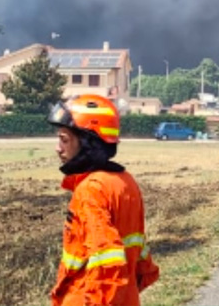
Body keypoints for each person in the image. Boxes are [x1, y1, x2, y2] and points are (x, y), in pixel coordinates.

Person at [47, 94, 160, 306]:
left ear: (88, 142)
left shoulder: (90, 190)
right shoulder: (126, 182)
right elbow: (142, 262)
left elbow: (107, 262)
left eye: (64, 139)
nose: (57, 148)